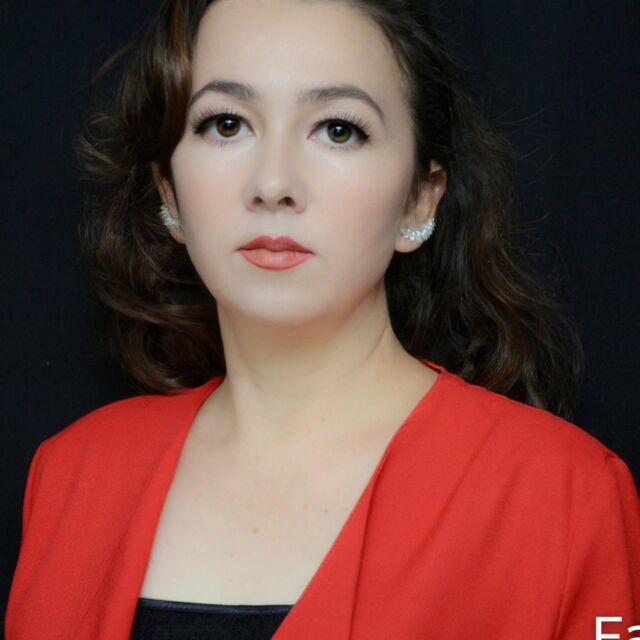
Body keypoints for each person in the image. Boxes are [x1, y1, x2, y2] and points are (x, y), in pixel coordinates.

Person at [5, 0, 639, 638]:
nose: (273, 183)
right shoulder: (72, 475)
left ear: (421, 198)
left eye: (338, 129)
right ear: (167, 190)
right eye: (227, 124)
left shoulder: (565, 494)